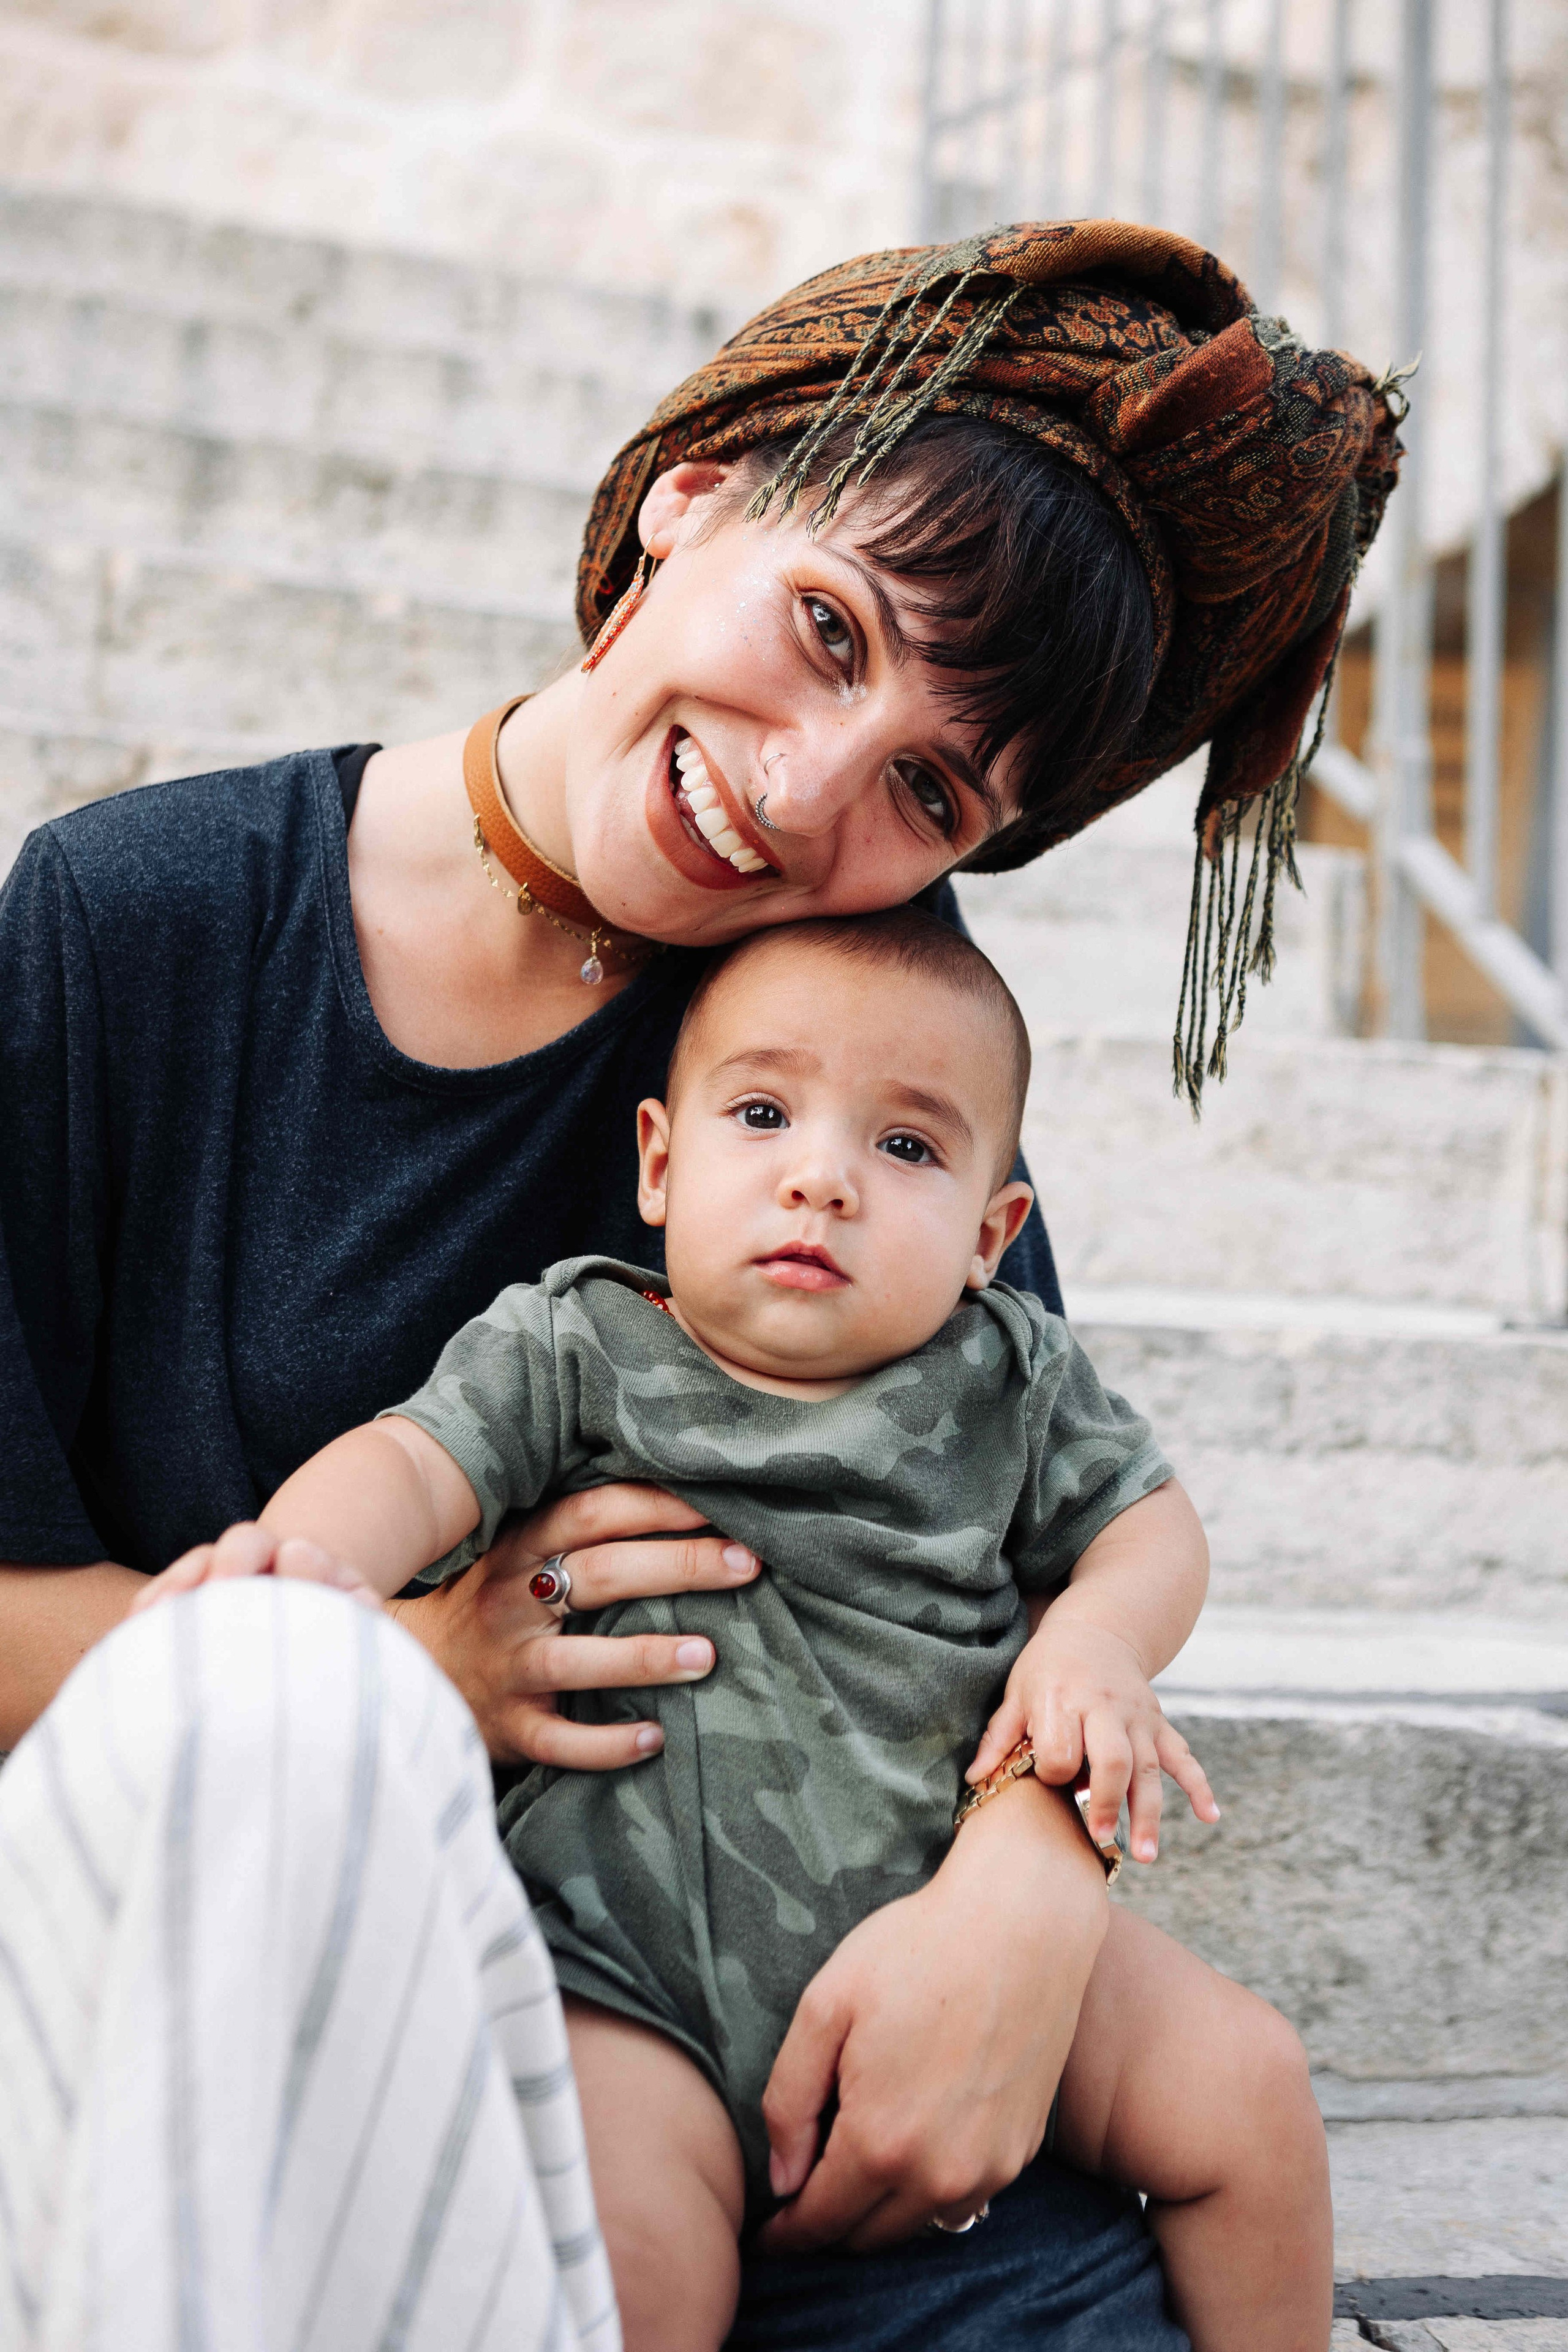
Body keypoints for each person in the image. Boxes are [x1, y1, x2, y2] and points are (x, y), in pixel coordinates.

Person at [0, 219, 1400, 2348]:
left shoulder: (843, 1055)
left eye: (931, 789)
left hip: (793, 2050)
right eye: (830, 631)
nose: (804, 789)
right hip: (291, 2000)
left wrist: (1026, 1900)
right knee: (283, 1720)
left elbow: (1032, 1551)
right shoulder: (142, 921)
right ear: (698, 500)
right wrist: (410, 1672)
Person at [139, 908, 1330, 2352]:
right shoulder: (576, 1345)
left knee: (1250, 2089)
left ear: (988, 1233)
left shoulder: (1005, 1377)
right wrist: (304, 1564)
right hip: (625, 1968)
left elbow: (1152, 1530)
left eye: (905, 1146)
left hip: (939, 1916)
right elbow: (409, 1462)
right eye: (761, 1113)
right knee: (633, 2262)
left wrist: (1094, 1643)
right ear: (659, 1160)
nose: (819, 1178)